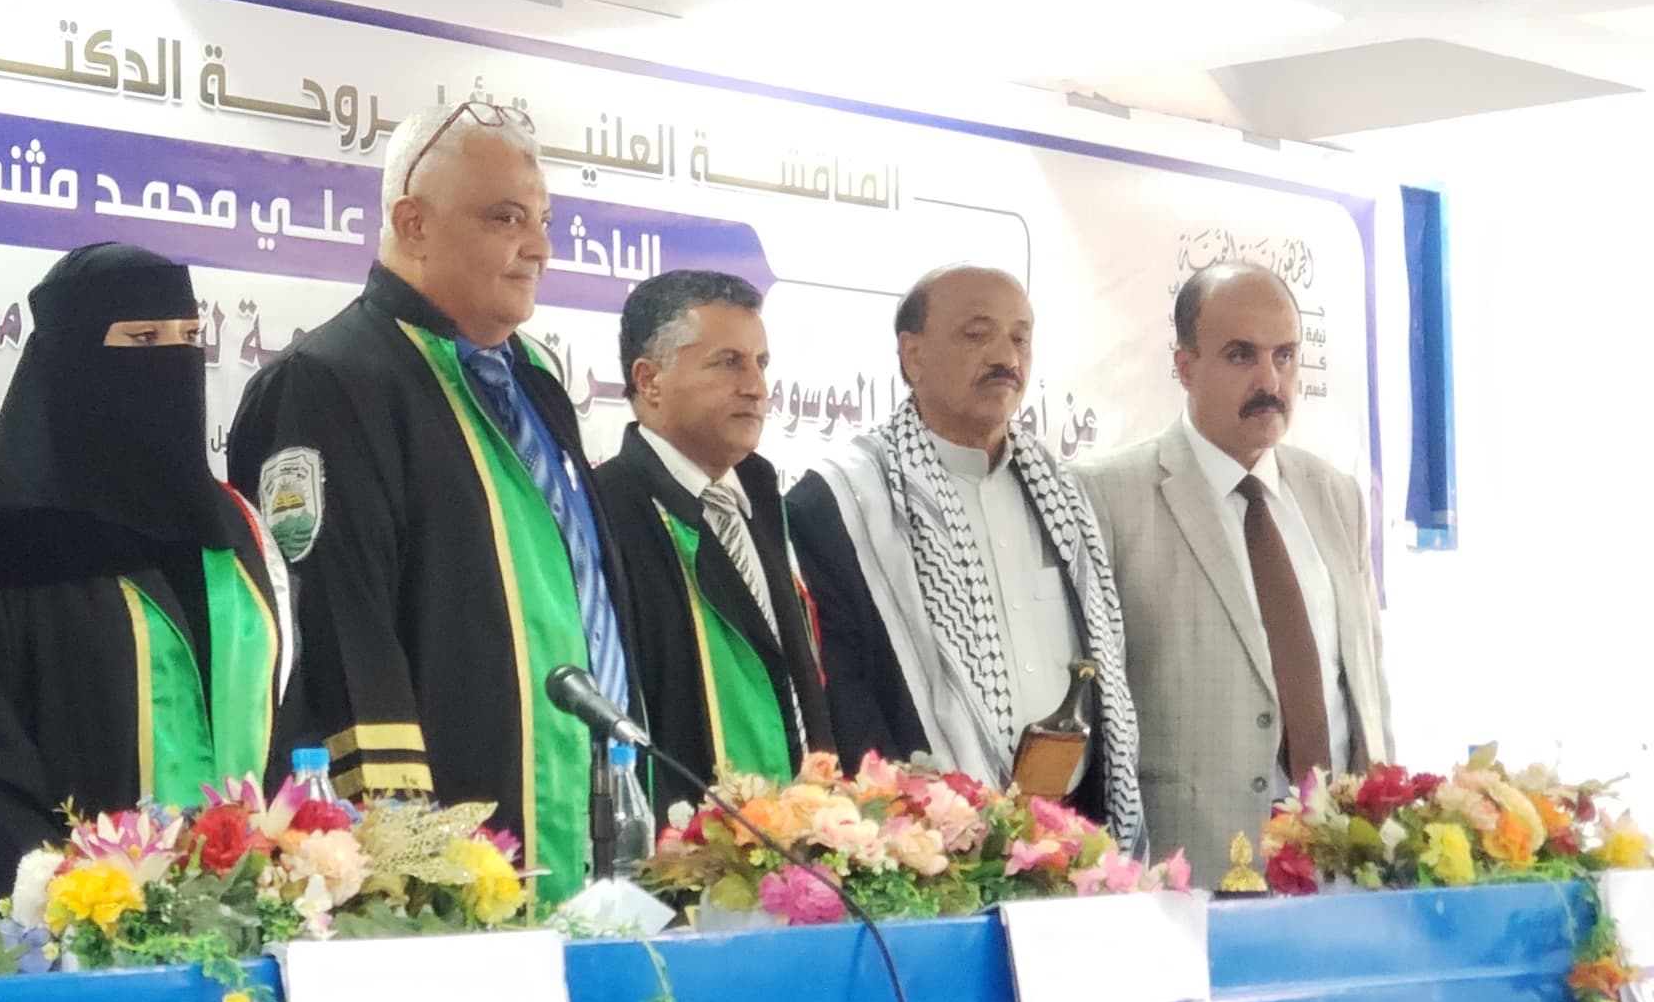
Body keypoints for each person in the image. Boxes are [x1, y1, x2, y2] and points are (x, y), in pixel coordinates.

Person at [226, 101, 638, 905]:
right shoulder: (330, 383)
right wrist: (407, 864)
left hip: (597, 850)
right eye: (506, 218)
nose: (540, 248)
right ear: (412, 224)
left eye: (545, 221)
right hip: (449, 883)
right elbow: (340, 641)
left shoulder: (534, 386)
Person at [0, 243, 292, 946]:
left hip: (248, 938)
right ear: (72, 359)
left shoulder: (236, 534)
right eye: (143, 339)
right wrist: (76, 918)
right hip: (70, 951)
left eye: (189, 337)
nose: (174, 361)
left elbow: (285, 723)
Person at [785, 264, 1140, 846]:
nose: (1006, 357)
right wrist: (911, 830)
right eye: (977, 334)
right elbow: (843, 696)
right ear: (912, 356)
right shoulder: (841, 501)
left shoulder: (1063, 494)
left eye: (1020, 337)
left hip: (1071, 831)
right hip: (922, 841)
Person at [1079, 263, 1392, 880]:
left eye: (1285, 356)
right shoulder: (1107, 498)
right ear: (1185, 365)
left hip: (1339, 866)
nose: (1269, 380)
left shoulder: (1336, 496)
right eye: (1241, 355)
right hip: (1185, 872)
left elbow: (1367, 688)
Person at [594, 270, 831, 806]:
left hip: (796, 833)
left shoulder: (763, 500)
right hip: (684, 837)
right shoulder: (607, 512)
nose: (755, 387)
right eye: (728, 362)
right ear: (649, 380)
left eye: (760, 363)